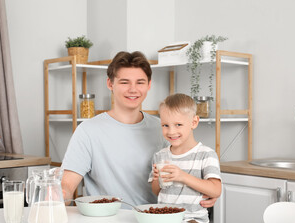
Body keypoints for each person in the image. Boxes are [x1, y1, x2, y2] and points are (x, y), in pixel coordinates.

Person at [61, 51, 218, 208]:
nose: (133, 89)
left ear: (149, 85)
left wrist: (205, 192)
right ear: (110, 84)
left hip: (153, 220)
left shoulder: (164, 129)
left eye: (140, 82)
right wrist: (57, 195)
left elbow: (187, 170)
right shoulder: (88, 131)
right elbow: (67, 186)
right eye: (124, 82)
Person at [149, 93, 222, 223]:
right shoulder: (160, 156)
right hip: (165, 219)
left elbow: (216, 190)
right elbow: (156, 191)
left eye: (178, 125)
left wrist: (182, 176)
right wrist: (157, 179)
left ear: (194, 122)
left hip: (193, 221)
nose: (171, 131)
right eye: (165, 125)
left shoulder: (205, 154)